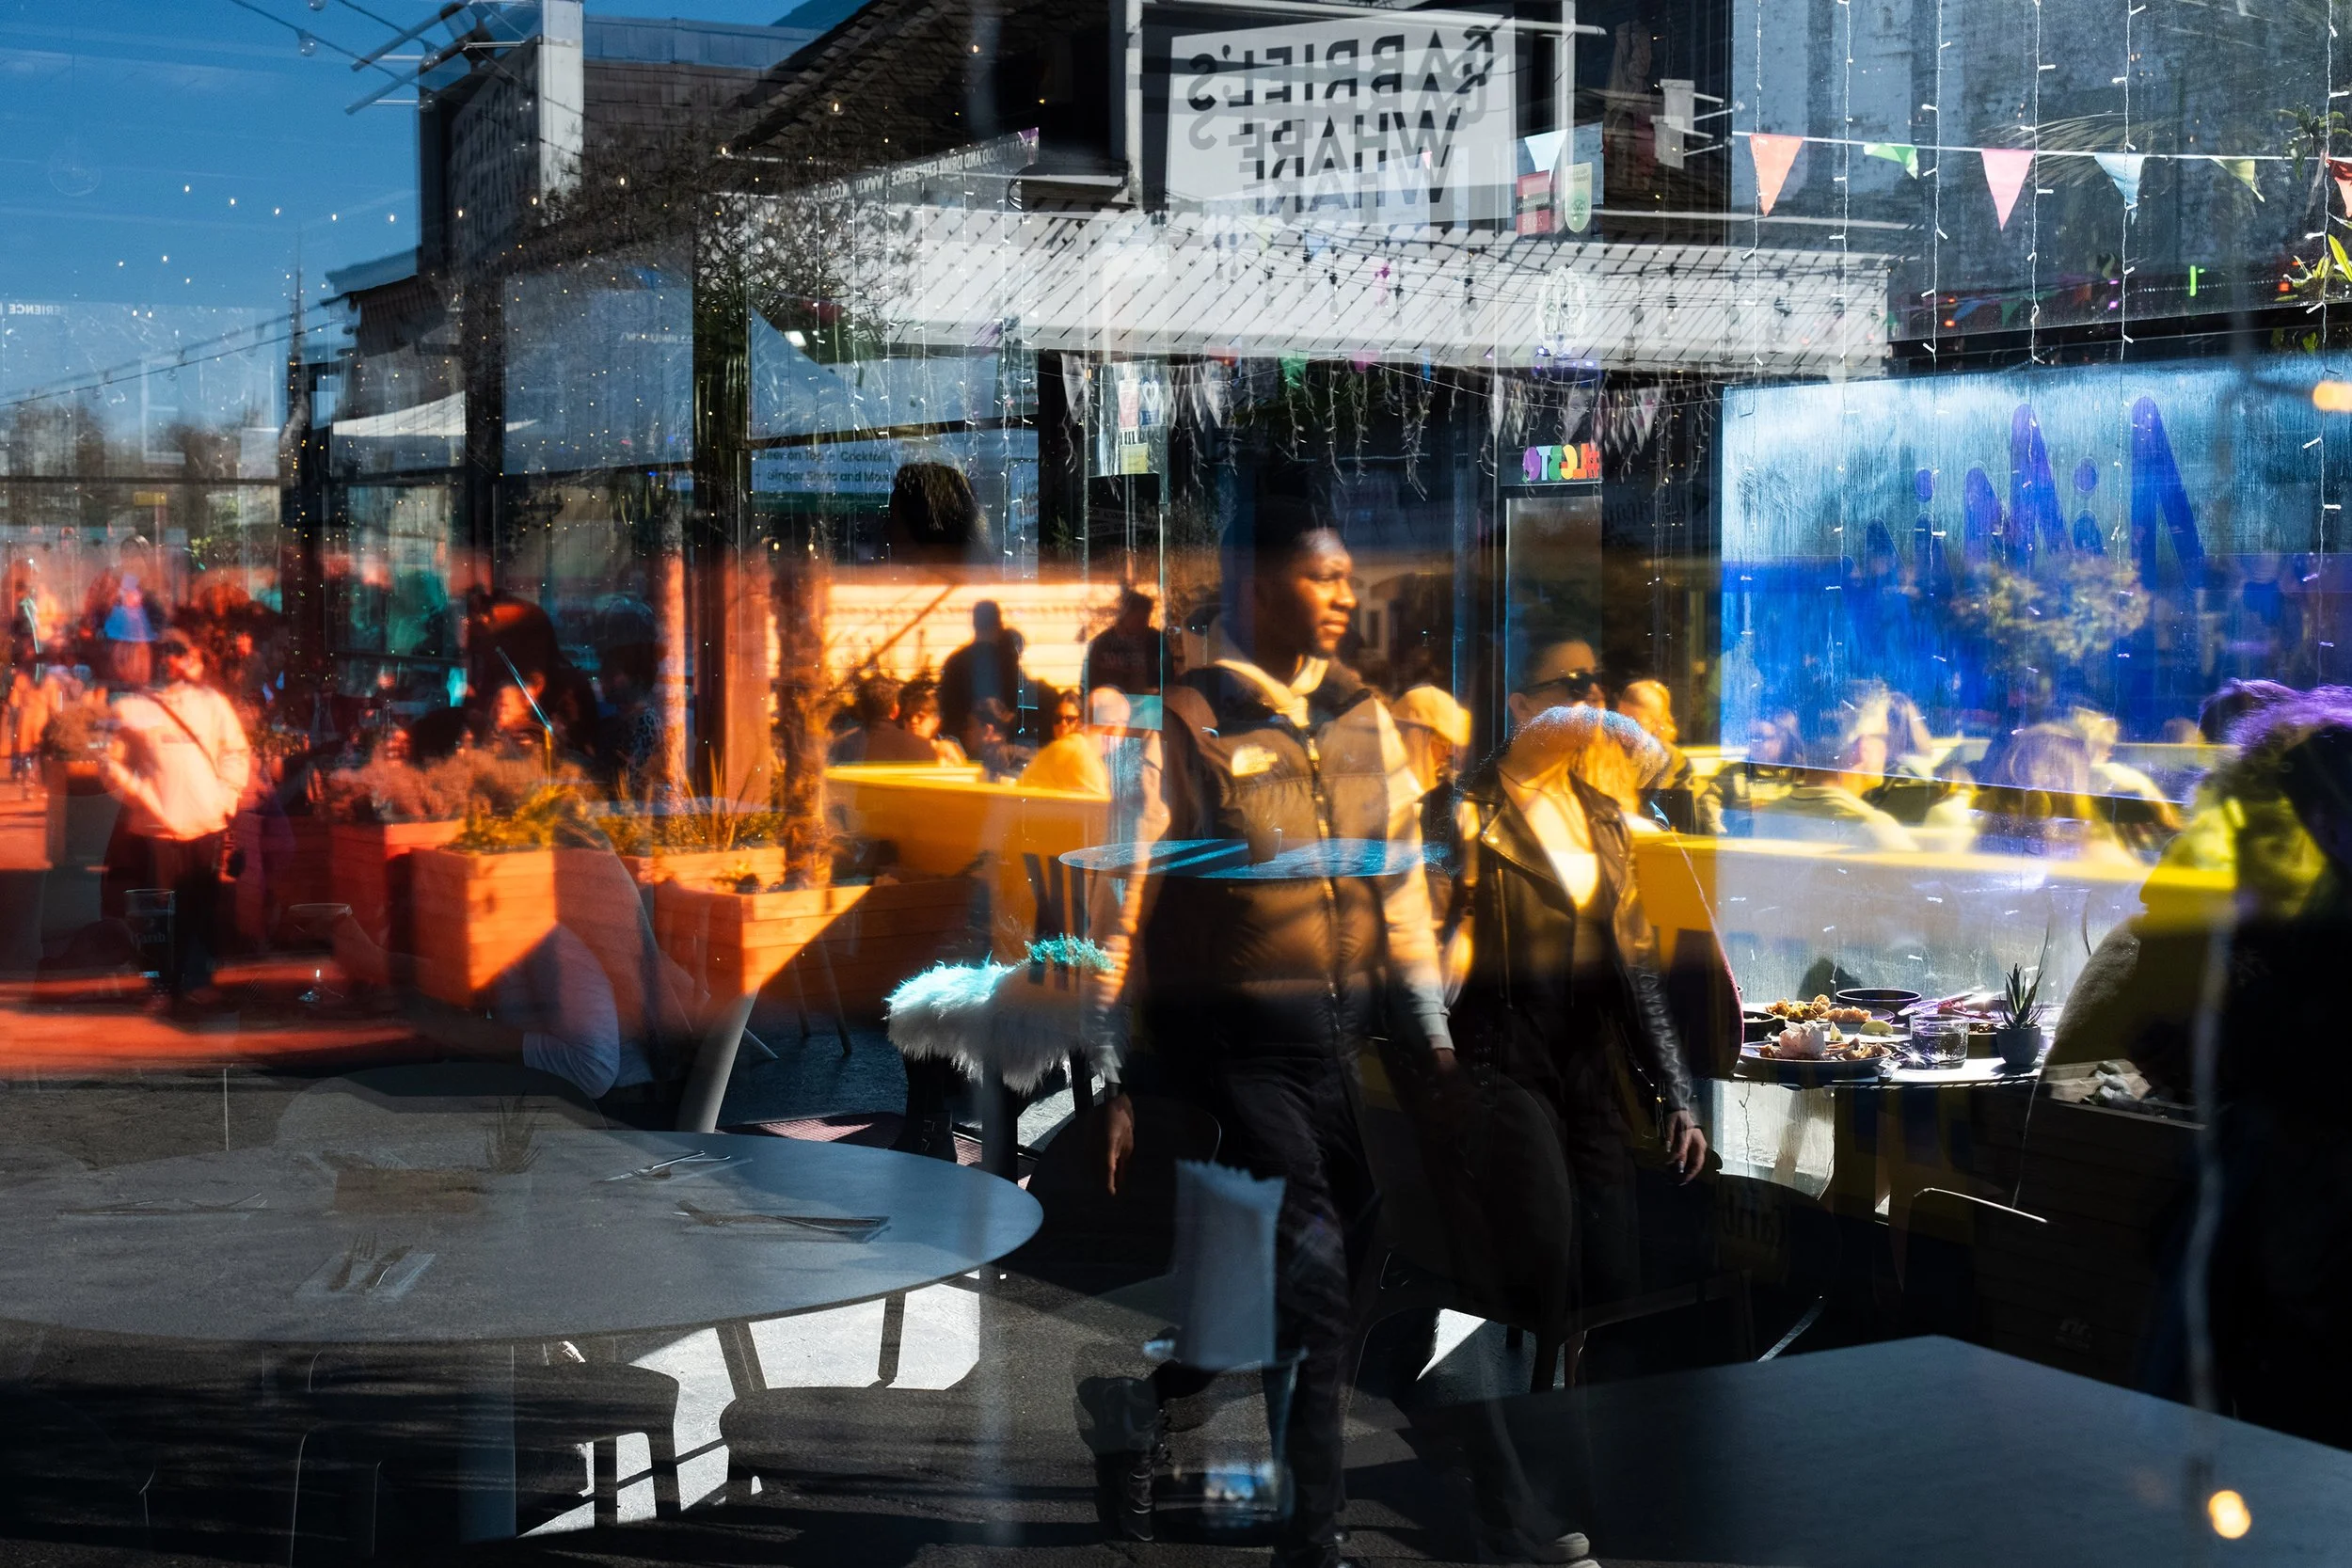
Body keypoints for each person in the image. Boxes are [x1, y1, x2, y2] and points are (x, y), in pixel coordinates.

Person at [1089, 508, 1458, 1568]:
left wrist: (1428, 1032)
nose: (1346, 594)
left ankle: (1138, 1409)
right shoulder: (1182, 723)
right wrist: (1107, 1067)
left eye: (1351, 575)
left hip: (1335, 1053)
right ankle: (1314, 1537)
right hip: (1232, 1057)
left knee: (1292, 1286)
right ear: (1257, 588)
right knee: (1316, 1290)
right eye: (1322, 575)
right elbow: (1119, 905)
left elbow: (1400, 889)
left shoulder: (1365, 719)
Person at [98, 627, 253, 1005]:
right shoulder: (130, 708)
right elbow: (109, 762)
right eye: (162, 652)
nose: (169, 659)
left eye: (176, 652)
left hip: (207, 822)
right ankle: (163, 987)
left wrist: (225, 798)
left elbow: (235, 751)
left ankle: (198, 980)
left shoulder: (211, 703)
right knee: (159, 915)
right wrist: (142, 797)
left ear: (188, 658)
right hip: (158, 829)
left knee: (203, 906)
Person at [937, 600, 1025, 743]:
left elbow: (947, 708)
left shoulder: (954, 662)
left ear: (974, 624)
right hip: (1001, 741)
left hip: (964, 741)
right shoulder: (1007, 663)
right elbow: (1018, 703)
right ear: (998, 624)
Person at [1019, 689, 1112, 795]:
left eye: (1070, 719)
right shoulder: (1051, 752)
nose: (1063, 724)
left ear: (1081, 722)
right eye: (1058, 718)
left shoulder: (1083, 753)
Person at [1086, 586, 1169, 696]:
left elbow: (1168, 680)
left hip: (1150, 706)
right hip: (1112, 706)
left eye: (1146, 619)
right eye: (1138, 620)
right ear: (1125, 615)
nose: (1143, 624)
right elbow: (1090, 684)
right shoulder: (1103, 644)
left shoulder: (1157, 641)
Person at [1614, 678, 1693, 792]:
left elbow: (1679, 807)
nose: (1624, 729)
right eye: (1621, 720)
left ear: (1656, 724)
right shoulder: (1599, 753)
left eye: (1635, 723)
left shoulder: (1674, 762)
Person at [897, 676, 966, 764]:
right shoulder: (895, 749)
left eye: (921, 716)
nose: (913, 721)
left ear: (936, 722)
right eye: (908, 717)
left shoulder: (943, 749)